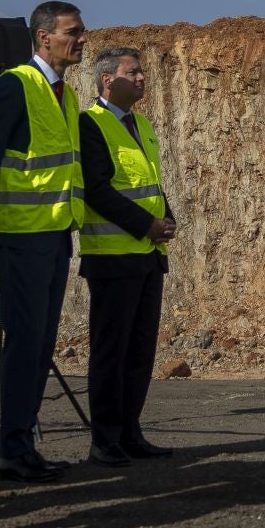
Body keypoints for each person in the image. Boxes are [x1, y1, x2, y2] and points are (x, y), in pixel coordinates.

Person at [0, 0, 86, 483]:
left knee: (41, 344)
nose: (81, 38)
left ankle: (22, 443)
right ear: (43, 38)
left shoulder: (65, 96)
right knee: (25, 342)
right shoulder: (14, 86)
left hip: (55, 235)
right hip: (21, 236)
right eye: (72, 31)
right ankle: (12, 448)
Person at [79, 47, 178, 466]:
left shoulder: (141, 125)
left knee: (139, 353)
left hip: (146, 256)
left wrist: (167, 216)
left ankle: (130, 431)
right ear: (107, 79)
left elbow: (149, 184)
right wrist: (146, 225)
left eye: (142, 72)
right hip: (112, 256)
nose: (141, 78)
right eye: (132, 72)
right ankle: (105, 439)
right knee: (111, 351)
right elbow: (98, 190)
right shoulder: (90, 124)